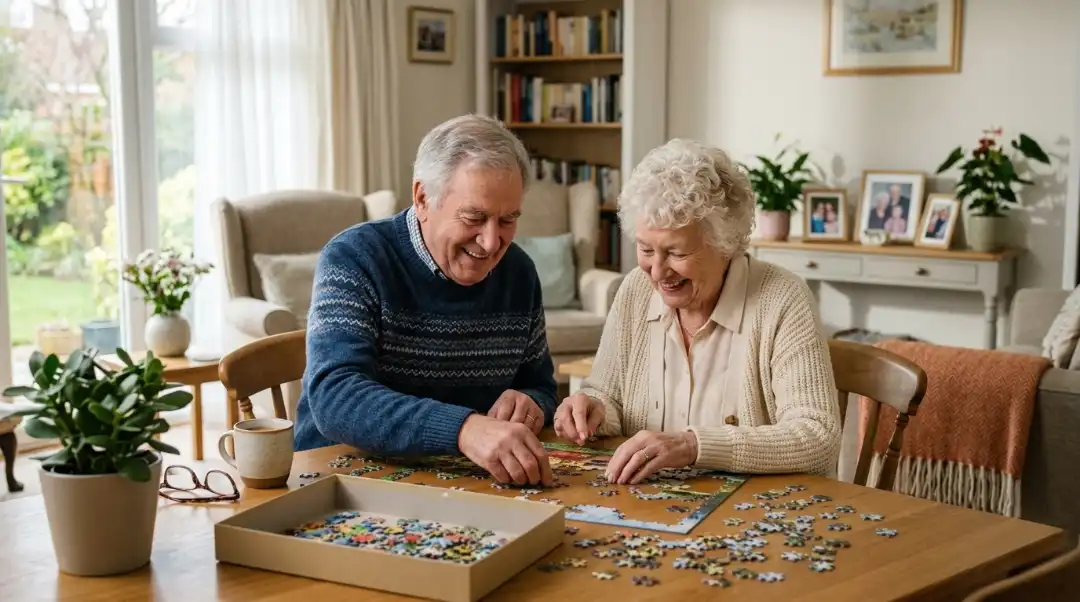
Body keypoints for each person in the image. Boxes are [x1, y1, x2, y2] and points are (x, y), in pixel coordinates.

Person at [553, 138, 842, 484]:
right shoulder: (634, 290)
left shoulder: (783, 299)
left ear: (726, 244)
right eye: (646, 249)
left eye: (676, 253)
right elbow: (608, 393)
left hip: (753, 516)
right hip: (647, 510)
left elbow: (818, 435)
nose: (657, 272)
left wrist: (693, 445)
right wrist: (593, 409)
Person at [294, 114, 557, 486]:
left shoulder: (519, 272)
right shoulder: (355, 257)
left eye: (508, 220)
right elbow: (334, 397)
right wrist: (464, 429)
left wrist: (532, 403)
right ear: (422, 199)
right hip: (341, 480)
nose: (491, 241)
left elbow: (542, 386)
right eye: (474, 217)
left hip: (465, 483)